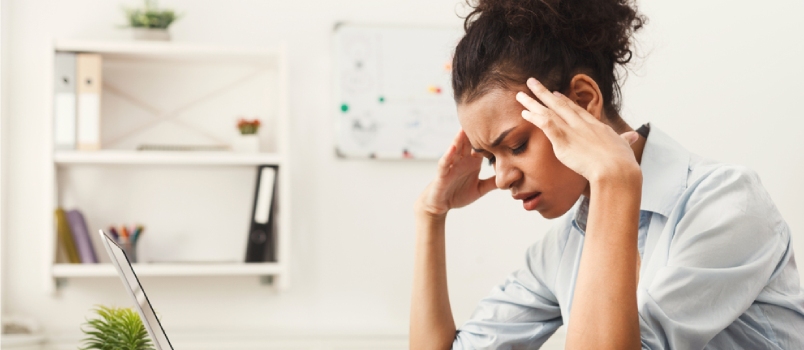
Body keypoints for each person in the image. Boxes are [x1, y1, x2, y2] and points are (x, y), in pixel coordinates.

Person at [408, 0, 804, 349]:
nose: (502, 178)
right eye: (490, 158)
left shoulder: (727, 204)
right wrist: (431, 215)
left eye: (515, 146)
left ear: (582, 100)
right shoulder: (561, 249)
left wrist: (614, 180)